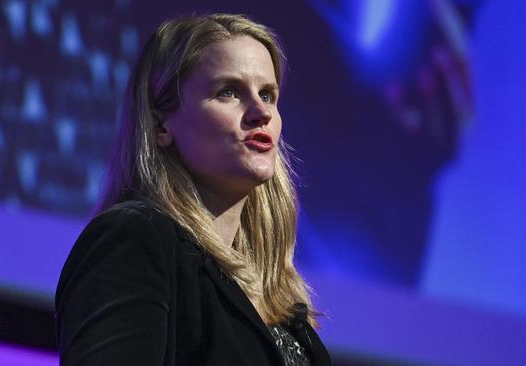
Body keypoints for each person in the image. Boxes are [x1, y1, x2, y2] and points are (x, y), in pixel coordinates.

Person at [55, 13, 331, 366]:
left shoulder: (277, 294)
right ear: (161, 126)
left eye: (268, 94)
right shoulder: (135, 238)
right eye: (228, 92)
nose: (260, 111)